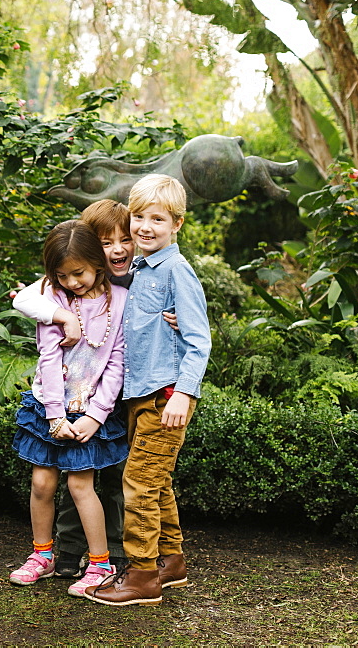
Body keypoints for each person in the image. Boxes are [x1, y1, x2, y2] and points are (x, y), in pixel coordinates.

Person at [86, 174, 211, 607]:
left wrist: (184, 393)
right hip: (141, 394)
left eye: (157, 219)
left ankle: (142, 575)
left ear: (177, 224)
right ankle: (171, 562)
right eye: (139, 217)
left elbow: (200, 340)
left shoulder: (177, 270)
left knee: (137, 483)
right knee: (156, 482)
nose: (144, 227)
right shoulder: (139, 268)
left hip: (167, 395)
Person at [12, 199, 134, 578]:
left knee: (83, 486)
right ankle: (42, 555)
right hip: (50, 408)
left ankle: (99, 564)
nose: (71, 283)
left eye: (77, 273)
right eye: (62, 276)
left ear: (96, 261)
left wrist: (96, 416)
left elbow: (116, 364)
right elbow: (48, 358)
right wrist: (54, 416)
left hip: (89, 411)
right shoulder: (54, 299)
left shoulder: (122, 301)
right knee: (42, 482)